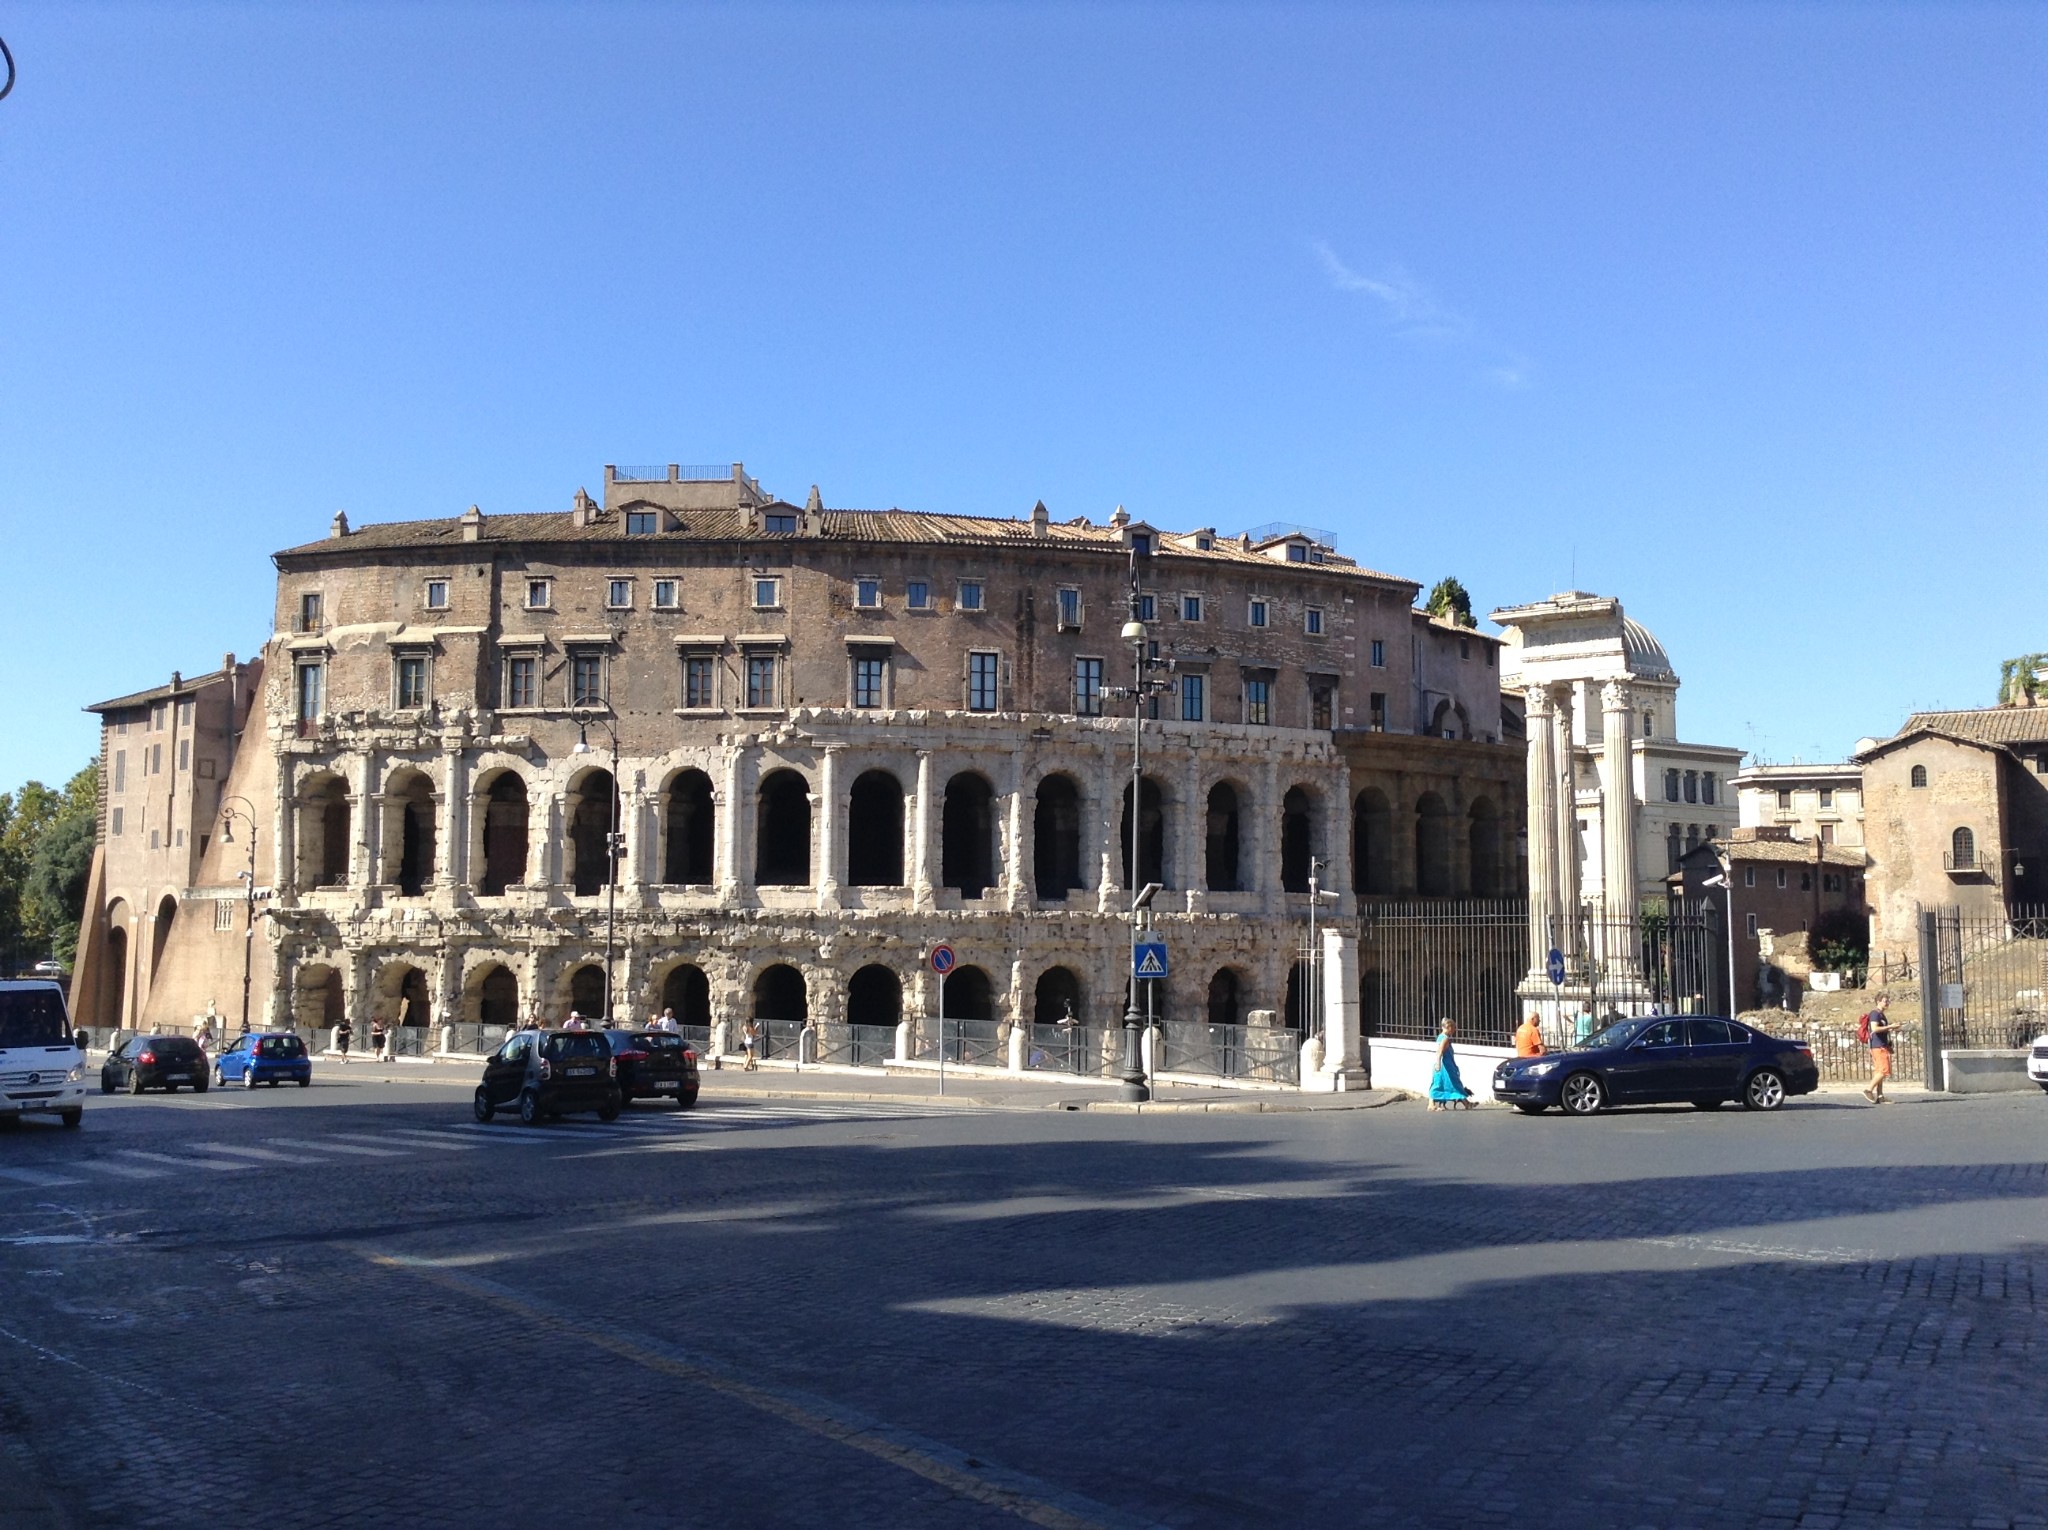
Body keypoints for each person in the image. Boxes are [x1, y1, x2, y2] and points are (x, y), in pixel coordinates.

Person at [1427, 1018, 1475, 1111]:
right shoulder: (1445, 1038)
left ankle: (1467, 1103)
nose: (1455, 1030)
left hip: (1444, 1065)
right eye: (1454, 1027)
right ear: (1449, 1027)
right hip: (1445, 1066)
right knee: (1449, 1084)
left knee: (1447, 1084)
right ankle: (1431, 1105)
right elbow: (1440, 1052)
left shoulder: (1440, 1036)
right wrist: (1438, 1064)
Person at [1863, 994, 1893, 1104]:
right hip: (1877, 1046)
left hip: (1882, 1045)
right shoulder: (1875, 1014)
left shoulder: (1881, 1015)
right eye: (1885, 1001)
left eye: (1888, 1001)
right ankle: (1868, 1090)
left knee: (1879, 1071)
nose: (1887, 1003)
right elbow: (1875, 1028)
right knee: (1884, 1070)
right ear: (1878, 1002)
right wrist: (1890, 1027)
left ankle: (1880, 1096)